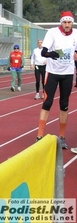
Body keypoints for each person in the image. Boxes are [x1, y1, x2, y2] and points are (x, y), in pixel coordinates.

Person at [37, 11, 77, 150]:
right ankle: (40, 136)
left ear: (72, 23)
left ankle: (62, 137)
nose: (67, 25)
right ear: (61, 23)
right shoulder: (53, 32)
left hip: (68, 73)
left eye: (69, 22)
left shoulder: (76, 34)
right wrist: (50, 53)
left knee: (64, 105)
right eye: (64, 22)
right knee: (47, 103)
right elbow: (44, 52)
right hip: (53, 73)